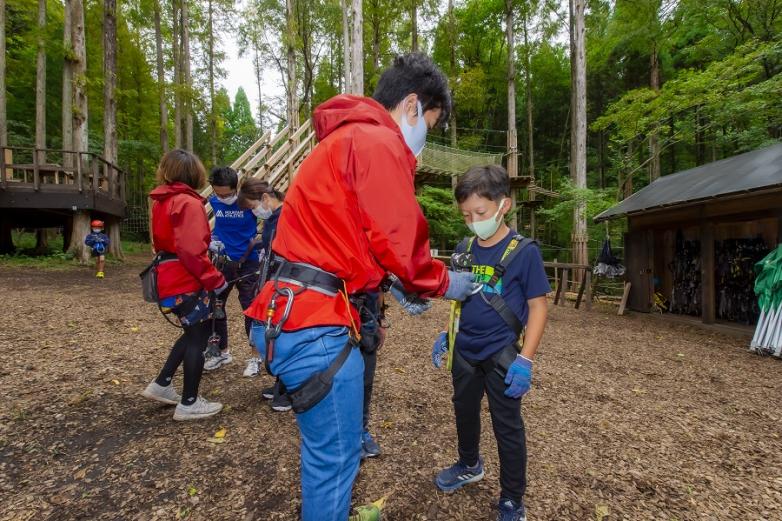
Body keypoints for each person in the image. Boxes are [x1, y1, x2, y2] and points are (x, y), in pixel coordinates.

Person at [244, 53, 480, 521]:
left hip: (285, 311)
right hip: (316, 325)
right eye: (429, 124)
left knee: (326, 453)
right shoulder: (377, 141)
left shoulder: (343, 141)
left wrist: (388, 284)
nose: (423, 140)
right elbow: (400, 238)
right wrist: (443, 281)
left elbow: (349, 239)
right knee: (335, 461)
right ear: (412, 106)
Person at [431, 165, 550, 521]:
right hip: (465, 349)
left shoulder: (524, 251)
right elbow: (459, 298)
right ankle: (469, 463)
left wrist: (526, 359)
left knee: (507, 426)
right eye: (466, 215)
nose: (473, 221)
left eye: (480, 213)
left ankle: (513, 499)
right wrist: (446, 333)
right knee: (464, 412)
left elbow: (538, 307)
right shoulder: (464, 248)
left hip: (501, 354)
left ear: (504, 206)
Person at [140, 149, 227, 421]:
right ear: (195, 174)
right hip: (185, 277)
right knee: (198, 338)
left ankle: (163, 383)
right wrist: (215, 278)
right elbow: (191, 250)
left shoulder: (162, 201)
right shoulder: (188, 203)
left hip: (168, 274)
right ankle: (189, 401)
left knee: (191, 333)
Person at [236, 178, 291, 412]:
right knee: (275, 332)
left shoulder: (287, 216)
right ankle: (282, 382)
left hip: (287, 281)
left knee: (286, 332)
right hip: (273, 280)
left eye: (253, 206)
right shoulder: (272, 219)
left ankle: (289, 388)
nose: (255, 212)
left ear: (265, 199)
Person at [204, 167, 262, 375]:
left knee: (251, 308)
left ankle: (255, 356)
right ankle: (222, 351)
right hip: (222, 261)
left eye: (227, 194)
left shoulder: (247, 203)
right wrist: (211, 241)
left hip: (248, 261)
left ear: (235, 188)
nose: (223, 197)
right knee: (215, 305)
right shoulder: (213, 202)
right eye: (219, 193)